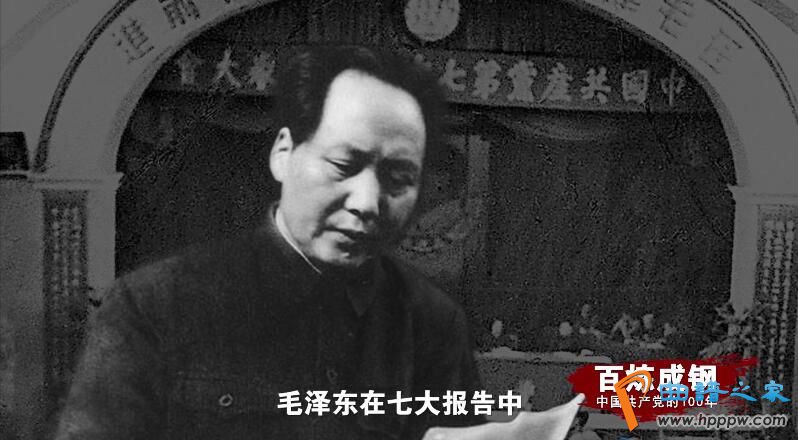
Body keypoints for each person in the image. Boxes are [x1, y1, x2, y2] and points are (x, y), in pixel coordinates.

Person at [55, 45, 581, 440]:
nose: (368, 202)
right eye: (343, 164)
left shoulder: (433, 325)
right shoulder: (153, 307)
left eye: (399, 178)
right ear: (284, 153)